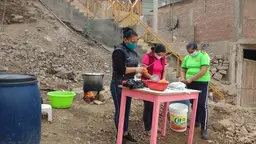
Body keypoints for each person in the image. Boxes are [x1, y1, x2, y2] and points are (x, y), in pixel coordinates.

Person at [110, 27, 143, 143]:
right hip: (118, 85)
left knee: (127, 109)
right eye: (133, 42)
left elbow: (134, 66)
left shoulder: (132, 51)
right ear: (125, 40)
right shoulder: (118, 51)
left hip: (128, 85)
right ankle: (120, 136)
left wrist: (138, 70)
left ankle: (125, 132)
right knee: (120, 110)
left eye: (136, 42)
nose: (135, 44)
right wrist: (136, 68)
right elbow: (120, 69)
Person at [180, 42, 211, 140]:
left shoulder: (203, 56)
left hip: (202, 83)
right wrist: (182, 78)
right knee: (193, 103)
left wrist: (191, 79)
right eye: (189, 52)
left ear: (196, 49)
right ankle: (196, 122)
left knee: (202, 104)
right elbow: (183, 69)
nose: (190, 53)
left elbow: (203, 70)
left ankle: (204, 128)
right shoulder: (187, 58)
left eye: (192, 51)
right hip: (190, 83)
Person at [141, 44, 167, 134]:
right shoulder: (147, 56)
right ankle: (147, 127)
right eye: (159, 54)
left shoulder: (163, 58)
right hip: (148, 83)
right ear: (155, 52)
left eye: (162, 55)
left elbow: (165, 69)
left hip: (158, 85)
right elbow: (143, 70)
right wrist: (151, 77)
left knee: (155, 106)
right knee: (148, 106)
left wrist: (163, 79)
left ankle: (154, 125)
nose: (161, 56)